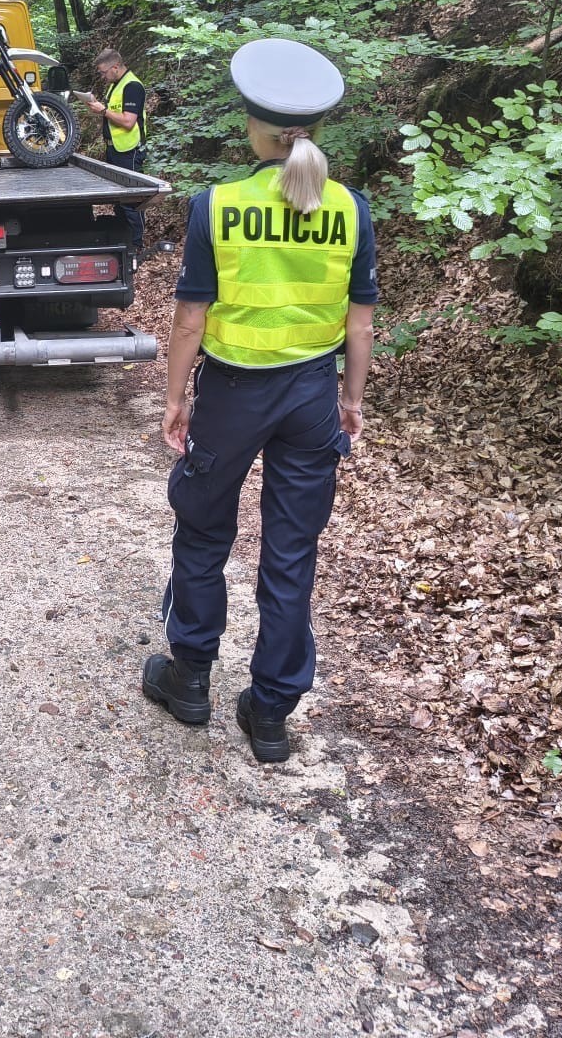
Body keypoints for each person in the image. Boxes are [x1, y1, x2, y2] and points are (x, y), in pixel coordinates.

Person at [140, 38, 377, 764]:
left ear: (253, 127)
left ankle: (188, 680)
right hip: (310, 395)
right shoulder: (351, 209)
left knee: (204, 533)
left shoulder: (218, 207)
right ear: (317, 129)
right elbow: (360, 323)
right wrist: (350, 398)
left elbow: (190, 319)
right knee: (290, 552)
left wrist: (175, 398)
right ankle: (270, 712)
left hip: (233, 393)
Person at [82, 48, 148, 258]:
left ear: (115, 67)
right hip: (115, 148)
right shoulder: (116, 85)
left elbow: (128, 122)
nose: (102, 77)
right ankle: (124, 241)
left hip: (129, 150)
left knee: (131, 200)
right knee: (120, 200)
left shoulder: (133, 86)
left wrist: (103, 110)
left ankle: (137, 245)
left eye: (103, 72)